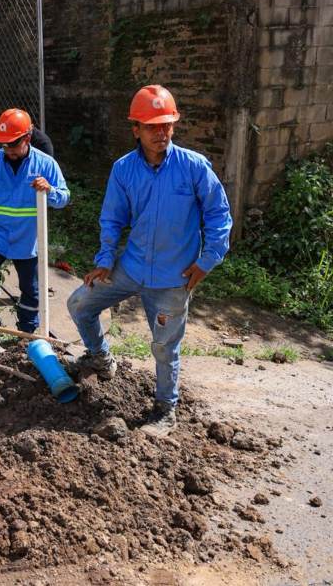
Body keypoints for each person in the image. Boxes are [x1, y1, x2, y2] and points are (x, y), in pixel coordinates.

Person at [67, 85, 233, 436]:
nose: (161, 132)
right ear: (136, 130)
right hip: (131, 267)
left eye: (167, 125)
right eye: (153, 126)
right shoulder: (124, 170)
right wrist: (105, 259)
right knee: (80, 303)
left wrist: (207, 261)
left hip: (174, 277)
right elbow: (112, 219)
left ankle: (164, 409)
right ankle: (101, 358)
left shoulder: (193, 167)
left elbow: (219, 215)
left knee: (163, 346)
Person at [0, 108, 70, 333]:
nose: (8, 150)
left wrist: (49, 190)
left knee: (31, 290)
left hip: (28, 240)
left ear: (27, 138)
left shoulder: (45, 164)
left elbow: (64, 198)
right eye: (3, 145)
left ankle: (27, 332)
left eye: (13, 145)